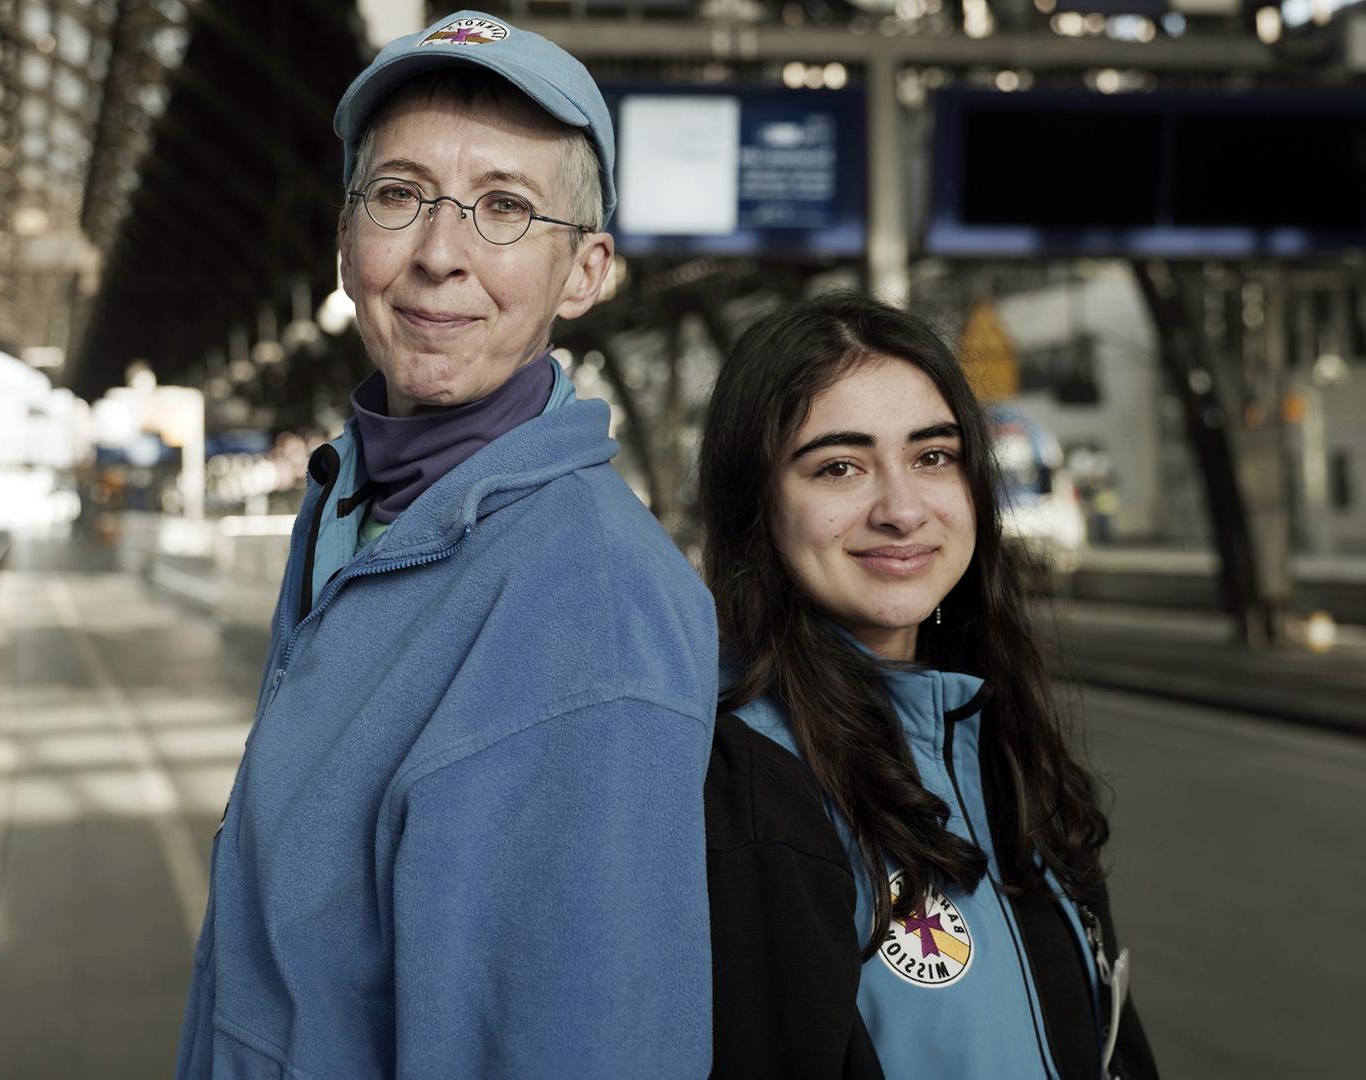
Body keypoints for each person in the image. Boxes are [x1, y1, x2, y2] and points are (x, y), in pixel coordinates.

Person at [175, 11, 718, 1080]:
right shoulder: (352, 503)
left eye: (505, 207)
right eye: (399, 195)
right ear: (346, 242)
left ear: (585, 273)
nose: (437, 254)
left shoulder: (593, 606)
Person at [696, 295, 1158, 1079]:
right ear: (755, 504)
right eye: (838, 467)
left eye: (933, 456)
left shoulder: (992, 736)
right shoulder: (738, 785)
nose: (903, 510)